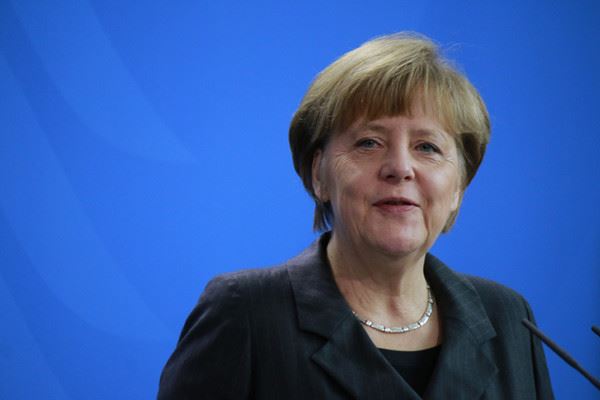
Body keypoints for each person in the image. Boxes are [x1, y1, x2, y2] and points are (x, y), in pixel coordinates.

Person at [158, 32, 554, 399]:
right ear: (319, 175)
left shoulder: (507, 318)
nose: (400, 167)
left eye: (427, 147)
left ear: (457, 188)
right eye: (369, 142)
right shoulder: (247, 313)